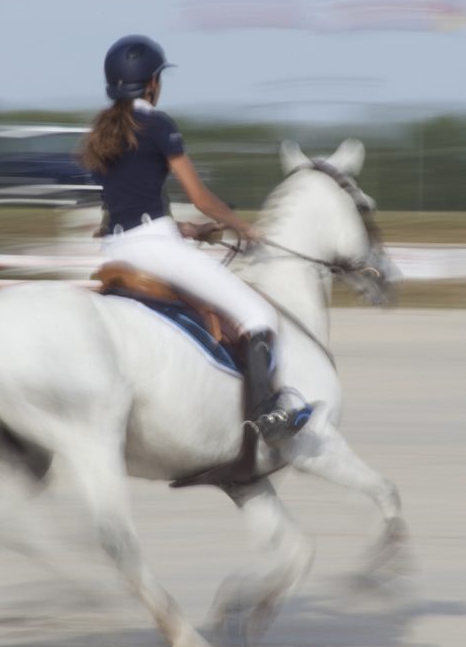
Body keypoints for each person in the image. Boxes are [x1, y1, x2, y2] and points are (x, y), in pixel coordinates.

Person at [80, 34, 308, 442]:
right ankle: (266, 416)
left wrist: (191, 231)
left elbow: (125, 208)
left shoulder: (102, 132)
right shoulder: (157, 124)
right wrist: (242, 226)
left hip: (116, 251)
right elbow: (201, 197)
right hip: (154, 250)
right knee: (258, 316)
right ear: (151, 83)